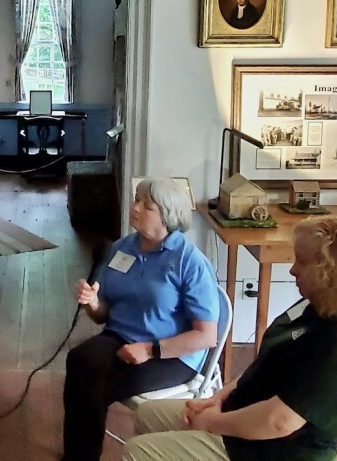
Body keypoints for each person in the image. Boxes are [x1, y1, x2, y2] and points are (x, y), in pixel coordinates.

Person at [122, 215, 337, 461]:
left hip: (272, 449)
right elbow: (264, 369)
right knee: (148, 414)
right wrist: (218, 398)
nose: (293, 270)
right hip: (248, 418)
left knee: (137, 451)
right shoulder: (319, 306)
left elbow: (279, 422)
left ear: (332, 271)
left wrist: (212, 423)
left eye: (301, 262)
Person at [62, 178, 219, 461]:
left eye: (146, 205)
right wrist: (92, 302)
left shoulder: (189, 261)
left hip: (173, 354)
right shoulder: (122, 248)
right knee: (79, 360)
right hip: (120, 337)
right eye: (135, 199)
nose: (134, 208)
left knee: (95, 384)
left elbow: (206, 336)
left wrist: (149, 350)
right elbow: (103, 316)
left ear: (167, 215)